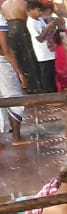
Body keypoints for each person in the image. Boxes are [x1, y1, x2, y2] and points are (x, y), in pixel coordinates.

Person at [0, 0, 33, 96]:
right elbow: (5, 49)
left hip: (11, 32)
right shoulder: (23, 4)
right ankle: (28, 83)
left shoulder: (5, 5)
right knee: (26, 57)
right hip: (20, 31)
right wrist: (19, 73)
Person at [0, 12, 27, 142]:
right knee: (15, 98)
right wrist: (19, 72)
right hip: (1, 64)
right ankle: (16, 137)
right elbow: (5, 48)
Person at [24, 0, 59, 94]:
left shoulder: (39, 20)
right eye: (38, 11)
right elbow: (39, 39)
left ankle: (54, 93)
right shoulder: (31, 23)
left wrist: (52, 27)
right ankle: (49, 95)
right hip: (43, 53)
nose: (40, 13)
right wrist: (47, 28)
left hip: (49, 50)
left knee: (52, 74)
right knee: (46, 75)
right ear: (31, 10)